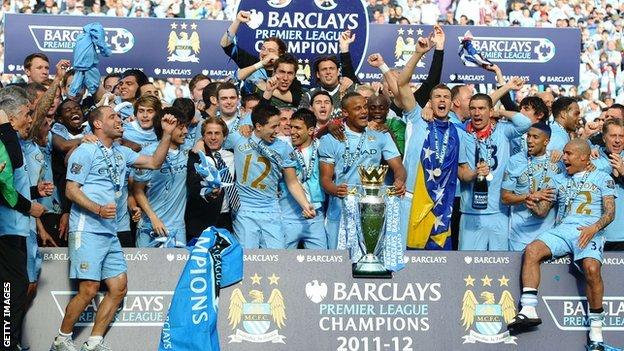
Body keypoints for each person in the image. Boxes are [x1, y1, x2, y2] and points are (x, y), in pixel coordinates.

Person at [50, 106, 177, 351]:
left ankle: (94, 342)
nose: (119, 121)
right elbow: (71, 190)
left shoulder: (121, 152)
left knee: (118, 287)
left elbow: (153, 162)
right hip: (87, 228)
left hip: (109, 231)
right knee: (89, 289)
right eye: (113, 117)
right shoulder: (84, 151)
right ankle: (61, 339)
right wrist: (97, 209)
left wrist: (167, 135)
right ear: (97, 125)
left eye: (119, 117)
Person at [508, 139, 615, 351]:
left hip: (589, 230)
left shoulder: (603, 178)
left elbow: (610, 212)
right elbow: (543, 211)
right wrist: (532, 201)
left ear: (584, 157)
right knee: (532, 250)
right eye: (564, 153)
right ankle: (529, 310)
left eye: (568, 154)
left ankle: (596, 334)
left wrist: (594, 228)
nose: (564, 158)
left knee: (592, 269)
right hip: (563, 230)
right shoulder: (557, 180)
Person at [319, 92, 406, 249]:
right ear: (345, 112)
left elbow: (398, 167)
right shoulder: (331, 139)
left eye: (365, 107)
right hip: (341, 210)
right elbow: (325, 178)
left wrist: (399, 180)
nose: (364, 111)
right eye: (358, 108)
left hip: (372, 211)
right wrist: (335, 189)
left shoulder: (381, 136)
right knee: (338, 265)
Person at [223, 104, 315, 249]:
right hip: (244, 210)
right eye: (273, 127)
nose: (278, 131)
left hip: (271, 210)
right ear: (258, 126)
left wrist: (305, 205)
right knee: (248, 259)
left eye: (278, 125)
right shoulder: (238, 138)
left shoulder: (284, 148)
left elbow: (292, 182)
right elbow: (212, 140)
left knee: (276, 260)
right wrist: (200, 144)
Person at [0, 87, 47, 351]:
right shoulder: (5, 138)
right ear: (13, 116)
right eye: (28, 114)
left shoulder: (10, 138)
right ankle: (7, 344)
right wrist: (30, 207)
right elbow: (5, 188)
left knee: (16, 288)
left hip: (14, 228)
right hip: (7, 228)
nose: (31, 120)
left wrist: (34, 191)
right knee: (12, 289)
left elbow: (11, 183)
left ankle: (10, 342)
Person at [458, 93, 532, 251]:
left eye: (482, 108)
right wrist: (475, 173)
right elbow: (462, 174)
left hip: (499, 212)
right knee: (468, 266)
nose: (477, 113)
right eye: (473, 108)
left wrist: (501, 112)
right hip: (471, 213)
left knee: (500, 267)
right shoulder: (462, 135)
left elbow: (525, 123)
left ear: (490, 111)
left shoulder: (503, 131)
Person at [134, 107, 190, 248]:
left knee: (178, 270)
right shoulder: (149, 153)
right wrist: (153, 218)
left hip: (177, 228)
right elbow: (137, 190)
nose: (186, 132)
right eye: (181, 128)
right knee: (146, 270)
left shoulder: (187, 152)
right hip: (151, 226)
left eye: (186, 127)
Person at [502, 123, 562, 251]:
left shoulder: (557, 163)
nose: (530, 140)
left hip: (546, 236)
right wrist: (529, 197)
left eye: (535, 137)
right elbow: (505, 198)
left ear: (546, 141)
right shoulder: (515, 161)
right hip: (518, 235)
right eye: (528, 136)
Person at [280, 109, 327, 249]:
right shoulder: (282, 145)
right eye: (291, 127)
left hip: (315, 217)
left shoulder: (322, 146)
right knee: (282, 265)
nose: (292, 132)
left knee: (320, 263)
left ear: (311, 130)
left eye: (298, 128)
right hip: (287, 216)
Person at [186, 117, 237, 239]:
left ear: (224, 136)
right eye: (209, 133)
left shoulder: (234, 155)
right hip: (201, 222)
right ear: (203, 136)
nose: (213, 137)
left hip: (228, 220)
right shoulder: (195, 155)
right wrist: (208, 192)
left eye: (217, 133)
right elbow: (193, 184)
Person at [592, 119, 624, 250]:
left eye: (621, 136)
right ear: (604, 138)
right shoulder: (592, 157)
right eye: (613, 136)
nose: (617, 140)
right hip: (596, 234)